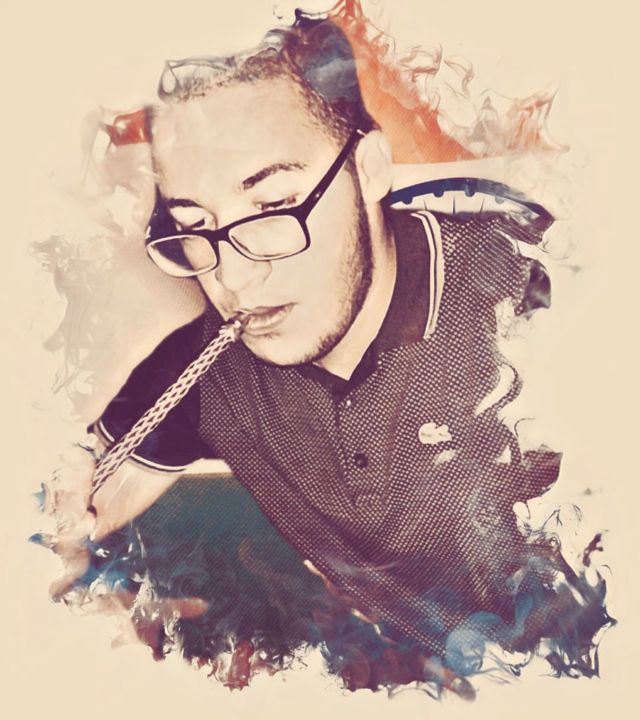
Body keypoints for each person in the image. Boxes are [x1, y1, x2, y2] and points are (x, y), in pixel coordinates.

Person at [47, 2, 610, 693]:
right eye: (195, 225)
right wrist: (59, 510)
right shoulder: (207, 369)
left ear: (369, 169)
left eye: (273, 206)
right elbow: (75, 505)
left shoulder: (535, 305)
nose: (233, 276)